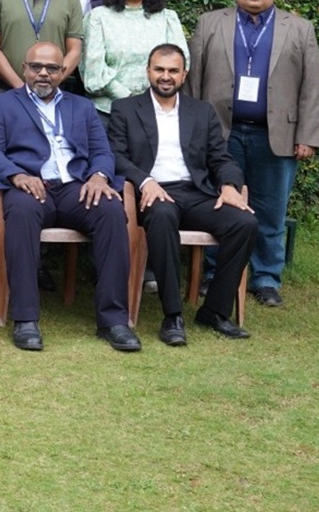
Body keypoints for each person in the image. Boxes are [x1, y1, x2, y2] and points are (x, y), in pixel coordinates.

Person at [0, 41, 140, 352]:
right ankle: (25, 319)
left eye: (52, 68)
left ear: (63, 72)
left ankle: (113, 320)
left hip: (75, 188)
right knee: (22, 213)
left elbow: (103, 151)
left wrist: (98, 176)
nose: (43, 74)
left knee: (110, 209)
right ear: (24, 68)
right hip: (29, 186)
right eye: (36, 66)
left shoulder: (82, 106)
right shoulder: (1, 104)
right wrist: (17, 175)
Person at [187, 0, 319, 308]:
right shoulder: (209, 24)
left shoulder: (300, 28)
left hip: (276, 135)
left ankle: (266, 278)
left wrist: (307, 136)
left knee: (270, 210)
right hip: (221, 134)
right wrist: (192, 133)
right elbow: (194, 81)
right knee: (220, 205)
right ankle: (216, 274)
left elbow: (313, 86)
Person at [109, 44, 256, 344]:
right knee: (162, 216)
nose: (166, 76)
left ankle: (214, 311)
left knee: (245, 223)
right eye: (159, 69)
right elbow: (116, 156)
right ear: (148, 71)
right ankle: (172, 316)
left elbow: (221, 158)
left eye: (173, 70)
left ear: (184, 74)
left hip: (197, 192)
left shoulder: (201, 111)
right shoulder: (125, 108)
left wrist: (228, 185)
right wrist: (145, 181)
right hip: (153, 194)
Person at [81, 0, 188, 116]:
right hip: (109, 111)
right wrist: (129, 98)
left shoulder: (167, 18)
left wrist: (150, 99)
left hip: (157, 111)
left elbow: (182, 62)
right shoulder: (98, 17)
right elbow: (93, 70)